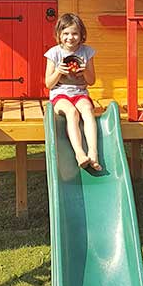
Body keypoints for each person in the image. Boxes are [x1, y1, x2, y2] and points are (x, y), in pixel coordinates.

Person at [44, 13, 102, 171]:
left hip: (80, 93)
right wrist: (58, 71)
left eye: (75, 33)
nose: (71, 37)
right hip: (60, 94)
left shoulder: (87, 52)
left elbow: (91, 81)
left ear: (82, 35)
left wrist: (84, 71)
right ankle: (79, 153)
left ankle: (93, 152)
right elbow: (49, 84)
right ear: (59, 35)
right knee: (72, 112)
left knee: (88, 111)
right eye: (66, 33)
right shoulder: (54, 53)